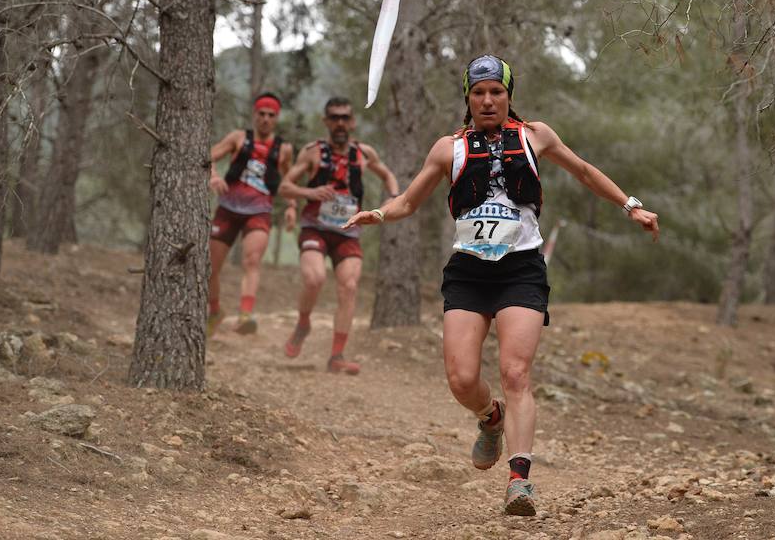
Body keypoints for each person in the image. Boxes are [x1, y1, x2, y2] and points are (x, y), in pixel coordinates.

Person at [344, 55, 659, 515]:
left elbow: (585, 171)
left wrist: (631, 206)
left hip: (521, 269)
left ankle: (520, 481)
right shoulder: (447, 148)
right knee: (461, 378)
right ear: (467, 99)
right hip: (469, 272)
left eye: (496, 92)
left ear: (509, 96)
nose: (487, 100)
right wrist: (379, 213)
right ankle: (489, 419)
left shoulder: (536, 136)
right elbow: (409, 201)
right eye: (479, 92)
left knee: (516, 373)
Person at [280, 97, 399, 375]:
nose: (340, 123)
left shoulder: (363, 153)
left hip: (348, 231)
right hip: (316, 228)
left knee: (349, 286)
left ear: (353, 121)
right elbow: (285, 187)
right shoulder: (312, 153)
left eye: (345, 117)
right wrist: (309, 193)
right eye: (334, 118)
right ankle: (303, 323)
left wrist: (392, 199)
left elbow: (388, 176)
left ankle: (337, 356)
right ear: (326, 122)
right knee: (314, 278)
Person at [207, 92, 296, 337]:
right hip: (227, 208)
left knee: (252, 260)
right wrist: (213, 176)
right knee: (210, 267)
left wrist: (291, 206)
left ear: (276, 118)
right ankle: (214, 311)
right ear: (254, 115)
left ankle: (246, 314)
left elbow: (289, 180)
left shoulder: (283, 149)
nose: (266, 119)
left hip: (259, 211)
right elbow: (208, 156)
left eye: (271, 115)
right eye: (262, 114)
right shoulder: (238, 138)